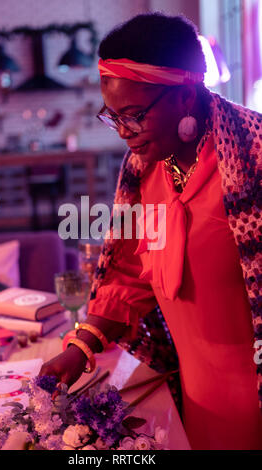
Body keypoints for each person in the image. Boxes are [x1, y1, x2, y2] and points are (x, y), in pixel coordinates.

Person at [40, 13, 262, 450]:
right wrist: (80, 346)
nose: (125, 133)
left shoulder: (252, 157)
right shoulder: (144, 169)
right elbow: (126, 271)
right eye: (114, 116)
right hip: (192, 397)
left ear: (183, 95)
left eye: (136, 115)